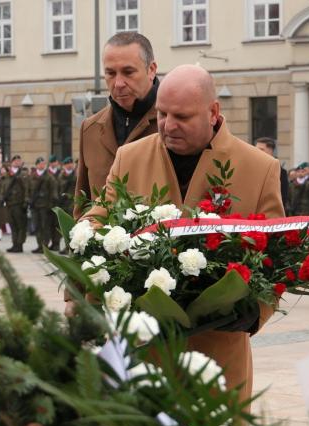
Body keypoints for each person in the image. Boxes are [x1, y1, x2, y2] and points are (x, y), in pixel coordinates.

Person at [79, 65, 284, 401]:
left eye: (182, 117)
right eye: (162, 113)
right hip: (143, 355)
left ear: (213, 112)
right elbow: (100, 217)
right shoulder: (130, 157)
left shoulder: (258, 168)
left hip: (217, 356)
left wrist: (253, 313)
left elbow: (275, 255)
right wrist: (90, 253)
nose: (168, 126)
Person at [74, 32, 159, 218]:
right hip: (104, 245)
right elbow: (82, 204)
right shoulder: (91, 129)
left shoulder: (172, 125)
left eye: (128, 72)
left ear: (151, 70)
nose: (118, 83)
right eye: (110, 73)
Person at [1, 154, 30, 252]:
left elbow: (26, 188)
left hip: (19, 203)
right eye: (15, 161)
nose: (17, 162)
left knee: (20, 225)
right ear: (12, 162)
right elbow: (4, 186)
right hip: (9, 203)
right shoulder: (8, 174)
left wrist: (26, 201)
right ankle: (14, 244)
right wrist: (2, 197)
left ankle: (19, 244)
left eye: (19, 160)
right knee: (12, 225)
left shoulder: (23, 173)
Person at [29, 156, 58, 254]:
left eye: (43, 164)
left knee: (45, 226)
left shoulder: (49, 177)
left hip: (45, 206)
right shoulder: (32, 176)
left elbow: (53, 192)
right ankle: (39, 245)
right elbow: (28, 190)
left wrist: (51, 205)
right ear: (36, 165)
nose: (42, 165)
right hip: (35, 205)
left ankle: (45, 246)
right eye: (40, 164)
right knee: (37, 226)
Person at [254, 137, 289, 213]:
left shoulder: (281, 172)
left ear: (271, 151)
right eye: (256, 149)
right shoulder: (253, 169)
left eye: (261, 149)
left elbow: (283, 197)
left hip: (272, 215)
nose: (257, 152)